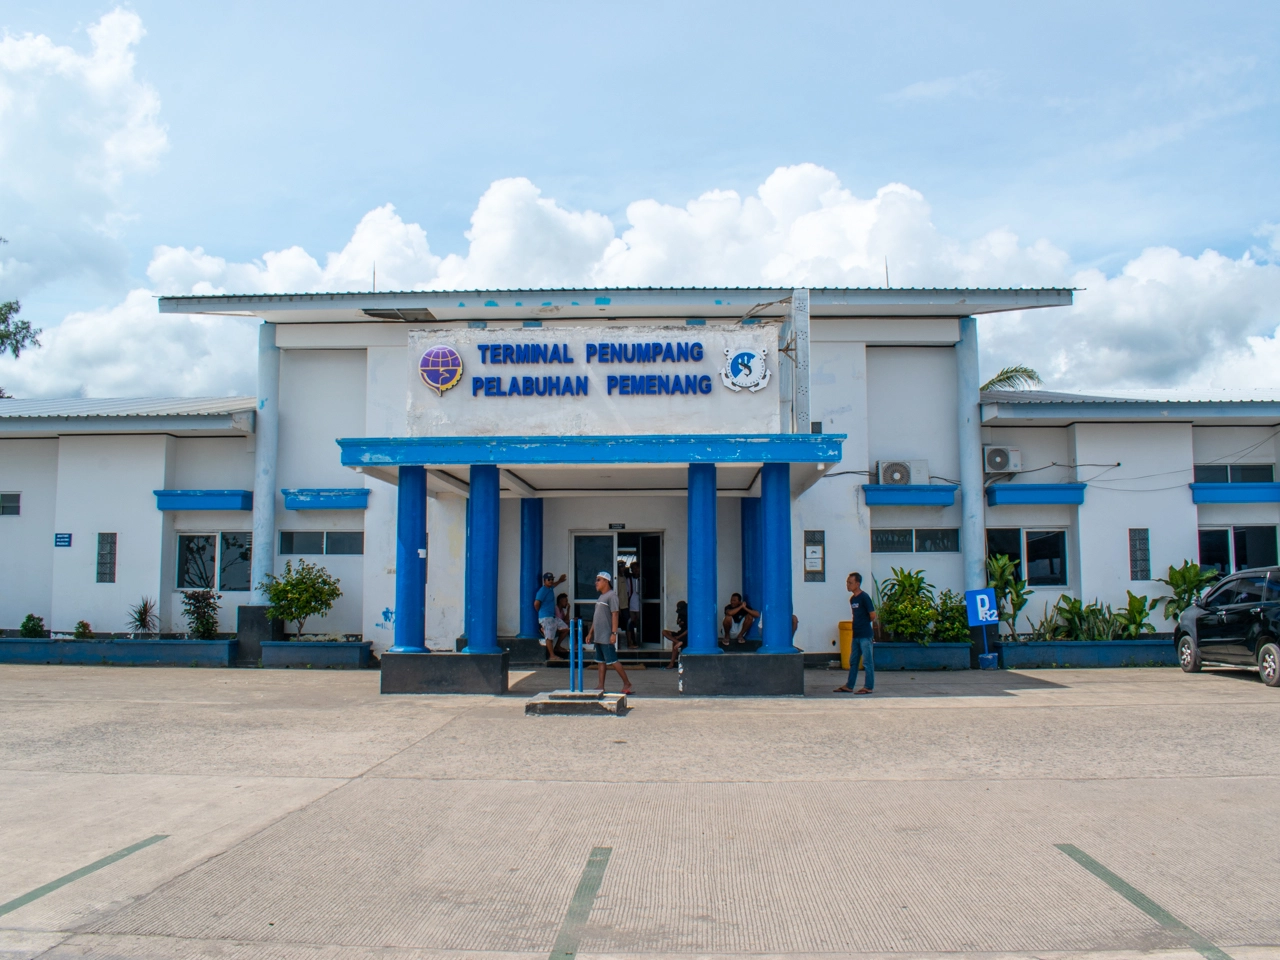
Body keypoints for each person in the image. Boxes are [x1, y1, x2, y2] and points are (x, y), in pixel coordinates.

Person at [585, 570, 633, 694]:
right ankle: (600, 685)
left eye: (598, 580)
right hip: (598, 636)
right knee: (600, 661)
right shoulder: (601, 597)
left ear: (606, 581)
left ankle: (627, 683)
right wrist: (590, 633)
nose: (596, 583)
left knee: (613, 660)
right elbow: (596, 617)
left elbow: (615, 615)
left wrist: (613, 633)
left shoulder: (612, 596)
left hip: (606, 635)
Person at [835, 572, 877, 694]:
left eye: (850, 583)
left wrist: (864, 623)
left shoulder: (864, 597)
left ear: (857, 584)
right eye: (847, 582)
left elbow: (872, 615)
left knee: (867, 662)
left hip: (865, 635)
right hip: (856, 635)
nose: (848, 585)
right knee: (853, 661)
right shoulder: (852, 599)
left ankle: (868, 686)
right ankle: (849, 685)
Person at [534, 571, 567, 660]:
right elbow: (536, 603)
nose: (551, 581)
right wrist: (541, 612)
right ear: (544, 580)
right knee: (549, 637)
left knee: (566, 629)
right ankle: (552, 656)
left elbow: (554, 585)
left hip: (552, 617)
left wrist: (560, 580)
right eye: (549, 579)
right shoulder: (542, 591)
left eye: (552, 579)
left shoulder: (550, 588)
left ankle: (557, 646)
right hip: (546, 617)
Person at [663, 600, 688, 668]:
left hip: (685, 634)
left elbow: (688, 630)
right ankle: (677, 641)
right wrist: (679, 623)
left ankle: (671, 663)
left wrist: (679, 637)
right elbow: (678, 623)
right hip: (680, 631)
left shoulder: (688, 614)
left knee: (674, 645)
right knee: (664, 632)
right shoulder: (680, 614)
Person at [626, 561, 642, 648]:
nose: (636, 570)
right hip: (632, 605)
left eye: (637, 568)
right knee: (630, 624)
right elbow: (627, 593)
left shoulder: (642, 579)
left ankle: (640, 641)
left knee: (640, 624)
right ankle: (631, 641)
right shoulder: (629, 580)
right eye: (634, 568)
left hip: (640, 605)